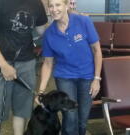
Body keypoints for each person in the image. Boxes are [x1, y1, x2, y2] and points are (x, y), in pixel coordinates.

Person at [0, 0, 47, 134]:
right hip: (0, 63)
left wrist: (66, 16)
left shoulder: (37, 3)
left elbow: (43, 31)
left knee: (22, 109)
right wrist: (3, 64)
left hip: (26, 62)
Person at [37, 0, 102, 134]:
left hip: (87, 76)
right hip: (65, 77)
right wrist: (41, 91)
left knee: (83, 119)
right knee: (70, 116)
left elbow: (97, 51)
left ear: (67, 5)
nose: (54, 9)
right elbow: (48, 64)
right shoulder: (49, 33)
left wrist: (97, 78)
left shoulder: (84, 21)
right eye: (51, 6)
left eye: (58, 5)